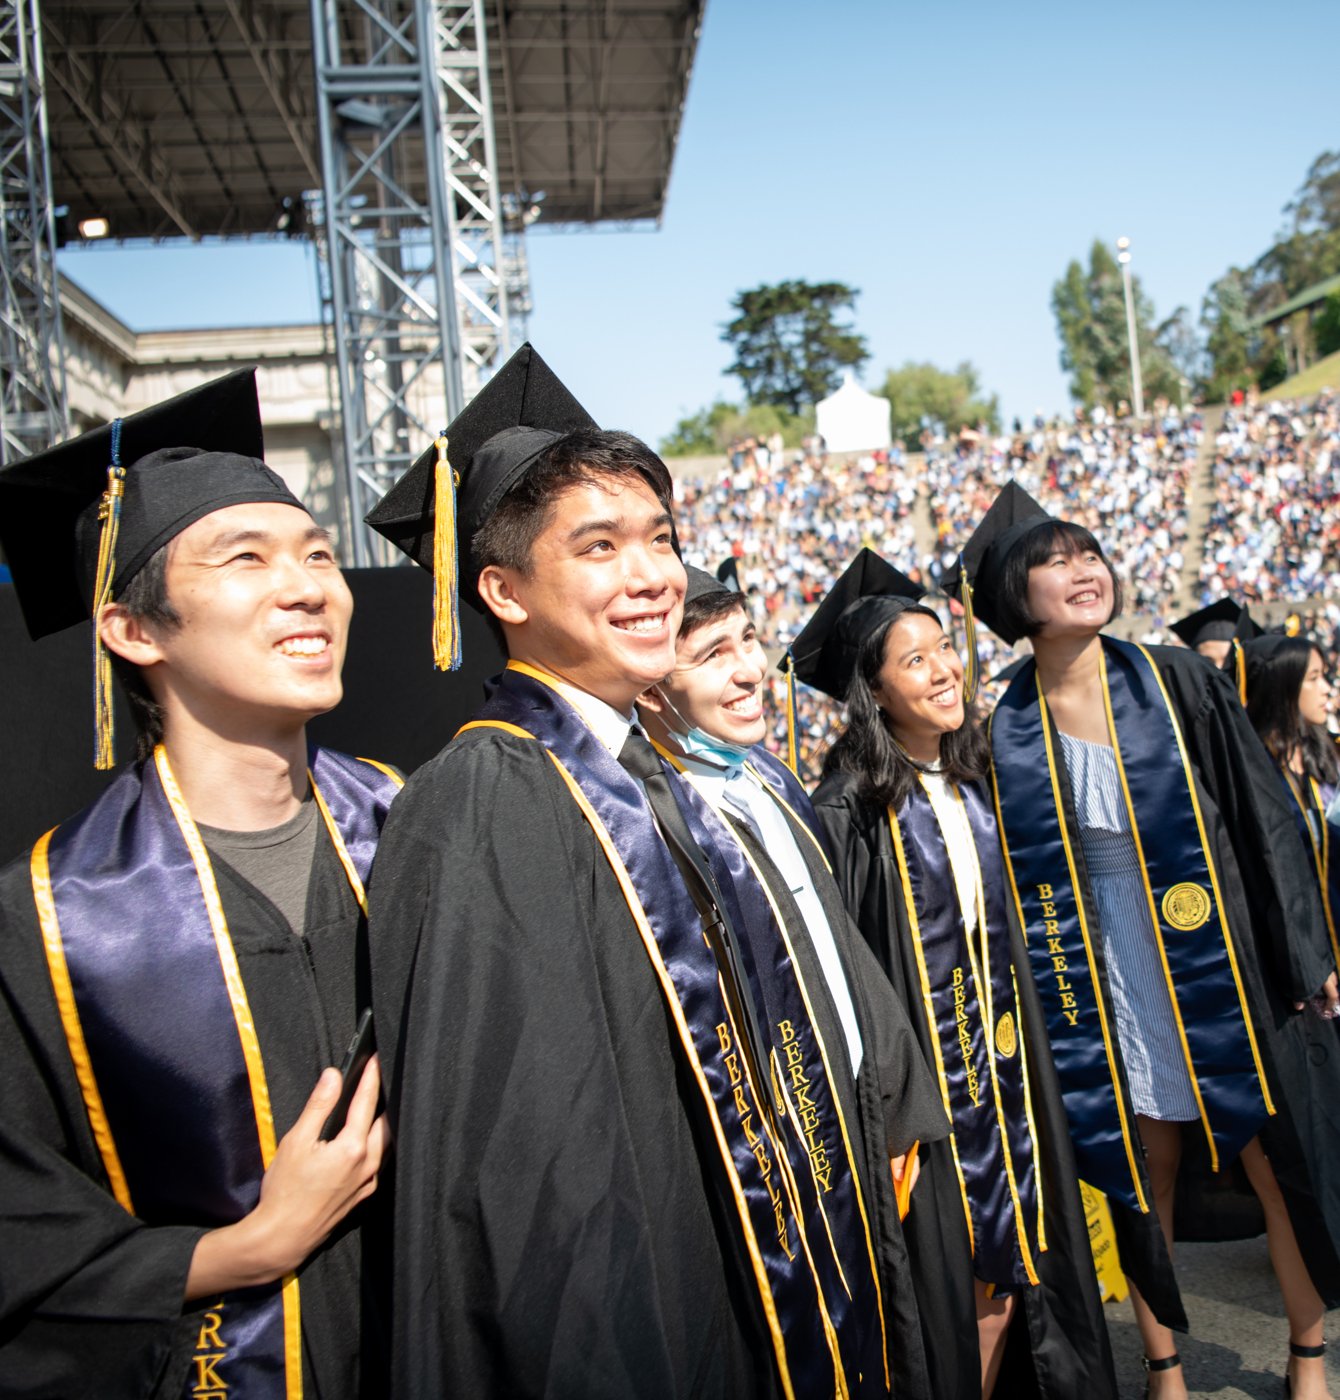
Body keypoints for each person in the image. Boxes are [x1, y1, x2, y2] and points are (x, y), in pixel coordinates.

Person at [364, 344, 922, 1396]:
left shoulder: (650, 780)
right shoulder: (486, 796)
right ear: (502, 589)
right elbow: (529, 1171)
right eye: (601, 545)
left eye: (660, 538)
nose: (653, 573)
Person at [0, 370, 399, 1398]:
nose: (309, 583)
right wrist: (246, 1249)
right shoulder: (49, 916)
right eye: (247, 557)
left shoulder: (417, 829)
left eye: (317, 552)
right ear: (136, 629)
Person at [957, 483, 1340, 1400]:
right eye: (1053, 560)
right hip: (1102, 972)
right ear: (1017, 600)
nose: (1083, 569)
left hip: (1221, 961)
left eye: (1089, 552)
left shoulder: (1179, 683)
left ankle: (1310, 1352)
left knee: (1271, 1162)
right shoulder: (1002, 729)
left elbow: (1264, 822)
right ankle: (1162, 1364)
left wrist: (1306, 951)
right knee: (1143, 1173)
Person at [796, 550, 1115, 1400]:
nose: (942, 671)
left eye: (944, 650)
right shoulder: (847, 814)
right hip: (934, 1098)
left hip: (1008, 1077)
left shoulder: (974, 780)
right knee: (961, 1286)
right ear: (876, 692)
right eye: (914, 660)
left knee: (1020, 1273)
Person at [633, 563, 952, 1387]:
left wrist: (888, 1099)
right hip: (769, 1161)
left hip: (851, 1123)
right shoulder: (650, 819)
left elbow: (839, 947)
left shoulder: (768, 779)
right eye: (710, 655)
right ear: (652, 686)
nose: (748, 671)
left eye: (748, 641)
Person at [1244, 633, 1340, 966]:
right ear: (1281, 686)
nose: (1328, 687)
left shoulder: (1328, 753)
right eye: (1313, 678)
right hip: (1308, 954)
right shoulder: (1255, 775)